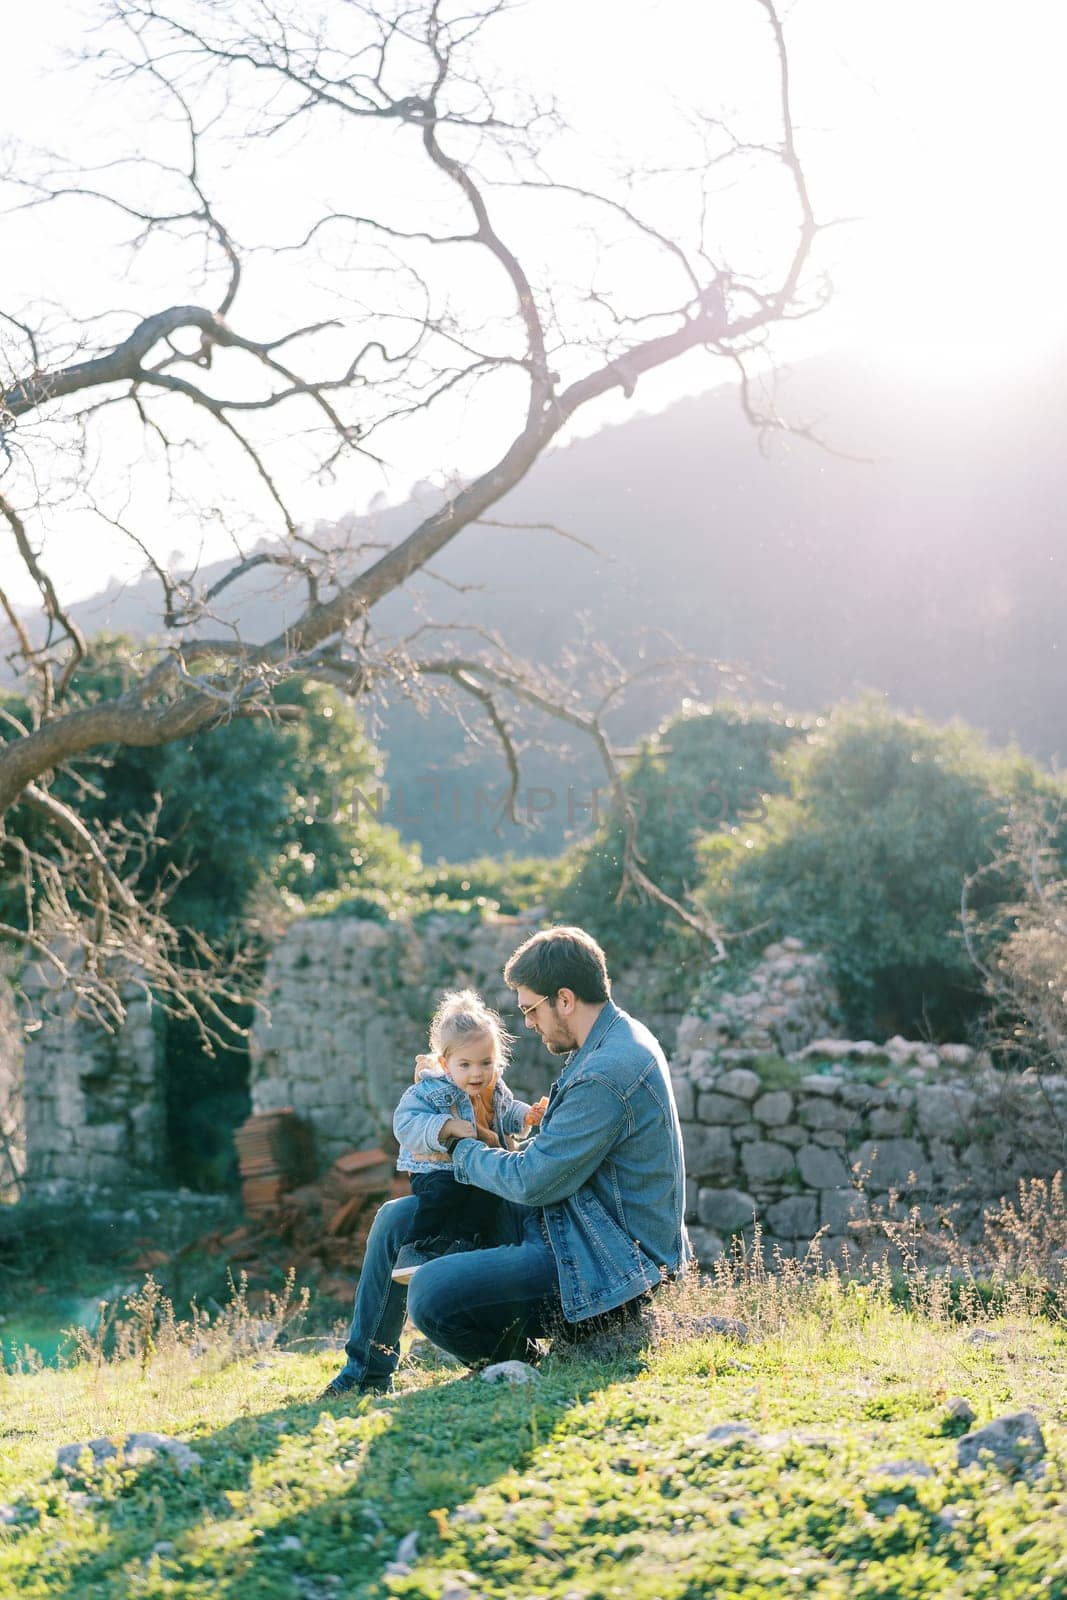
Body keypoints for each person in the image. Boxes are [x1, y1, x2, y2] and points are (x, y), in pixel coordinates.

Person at [320, 925, 690, 1399]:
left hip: (603, 1256)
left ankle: (525, 1361)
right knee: (396, 1218)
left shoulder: (606, 1071)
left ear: (565, 999)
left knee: (431, 1294)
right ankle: (364, 1375)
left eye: (531, 1009)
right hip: (571, 1220)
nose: (530, 1023)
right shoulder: (607, 1042)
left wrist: (459, 1144)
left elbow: (535, 1181)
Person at [390, 989, 546, 1286]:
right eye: (466, 1065)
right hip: (436, 1168)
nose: (477, 1073)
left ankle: (465, 1244)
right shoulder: (430, 1090)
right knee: (443, 1193)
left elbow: (505, 1111)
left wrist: (525, 1116)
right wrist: (445, 1125)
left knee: (487, 1196)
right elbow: (404, 1124)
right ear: (446, 1064)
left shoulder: (494, 1089)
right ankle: (417, 1249)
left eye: (485, 1063)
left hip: (476, 1169)